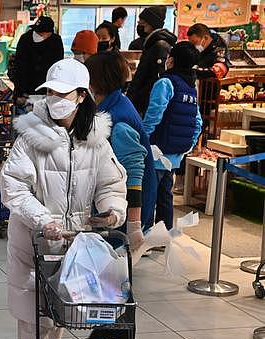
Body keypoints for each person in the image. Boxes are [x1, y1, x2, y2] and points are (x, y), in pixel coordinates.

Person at [1, 58, 127, 339]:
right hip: (33, 243)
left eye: (63, 93)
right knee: (32, 322)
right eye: (51, 93)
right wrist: (44, 220)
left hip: (73, 247)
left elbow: (109, 182)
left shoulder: (95, 139)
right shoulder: (30, 137)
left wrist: (112, 209)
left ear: (82, 96)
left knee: (59, 317)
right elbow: (14, 188)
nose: (55, 100)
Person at [86, 51, 156, 249]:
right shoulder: (112, 105)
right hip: (114, 204)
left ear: (97, 80)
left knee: (113, 266)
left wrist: (133, 225)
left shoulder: (119, 117)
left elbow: (134, 171)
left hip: (123, 208)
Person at [142, 42, 202, 230]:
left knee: (149, 195)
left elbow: (154, 115)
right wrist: (187, 147)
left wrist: (142, 138)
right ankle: (163, 235)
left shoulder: (165, 82)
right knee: (165, 196)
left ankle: (145, 233)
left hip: (157, 149)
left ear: (172, 60)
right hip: (175, 153)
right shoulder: (192, 87)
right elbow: (198, 121)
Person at [126, 5, 176, 115]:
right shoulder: (151, 43)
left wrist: (138, 96)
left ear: (152, 23)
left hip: (146, 104)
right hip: (142, 101)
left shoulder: (159, 45)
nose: (139, 24)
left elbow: (157, 78)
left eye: (142, 21)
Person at [12, 16, 64, 107]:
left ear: (49, 34)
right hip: (26, 93)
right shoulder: (25, 39)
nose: (36, 34)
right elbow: (19, 67)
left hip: (46, 92)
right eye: (36, 31)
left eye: (40, 33)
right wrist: (19, 93)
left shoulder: (56, 42)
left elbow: (57, 68)